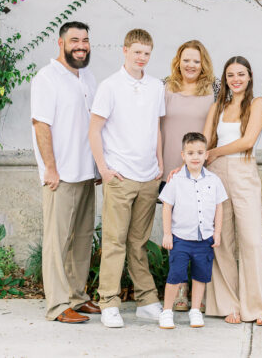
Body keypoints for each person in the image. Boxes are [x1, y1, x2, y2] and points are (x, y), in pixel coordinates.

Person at [88, 28, 166, 328]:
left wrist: (160, 162)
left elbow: (155, 128)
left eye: (146, 53)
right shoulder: (109, 86)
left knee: (139, 242)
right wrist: (104, 169)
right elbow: (94, 130)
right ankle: (109, 302)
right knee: (114, 242)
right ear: (125, 50)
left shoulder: (156, 86)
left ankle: (147, 301)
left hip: (148, 176)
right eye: (137, 52)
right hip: (120, 176)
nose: (141, 58)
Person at [30, 21, 99, 324]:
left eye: (85, 40)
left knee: (81, 240)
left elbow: (93, 125)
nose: (81, 46)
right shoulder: (47, 78)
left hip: (85, 172)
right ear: (61, 43)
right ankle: (57, 305)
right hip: (61, 175)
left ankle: (77, 296)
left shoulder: (88, 77)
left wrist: (96, 165)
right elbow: (41, 125)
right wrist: (50, 168)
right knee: (57, 242)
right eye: (74, 41)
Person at [200, 56, 262, 325]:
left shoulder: (257, 103)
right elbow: (205, 141)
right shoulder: (217, 106)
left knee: (252, 240)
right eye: (230, 75)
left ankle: (257, 308)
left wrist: (215, 152)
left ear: (249, 76)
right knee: (221, 241)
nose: (236, 79)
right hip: (216, 173)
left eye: (241, 74)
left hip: (243, 171)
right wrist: (194, 161)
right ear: (225, 79)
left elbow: (248, 140)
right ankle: (228, 305)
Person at [161, 40, 217, 312]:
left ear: (203, 63)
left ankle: (199, 291)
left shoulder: (214, 89)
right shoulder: (165, 87)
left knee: (199, 228)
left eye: (196, 60)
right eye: (186, 60)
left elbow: (216, 127)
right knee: (177, 228)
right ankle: (179, 287)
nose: (191, 65)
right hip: (169, 167)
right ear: (178, 61)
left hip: (199, 168)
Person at [158, 132, 226, 330]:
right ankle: (167, 312)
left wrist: (217, 232)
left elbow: (219, 207)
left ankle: (195, 310)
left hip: (204, 238)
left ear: (206, 155)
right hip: (180, 238)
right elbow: (167, 207)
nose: (195, 157)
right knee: (175, 275)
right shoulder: (176, 180)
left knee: (200, 276)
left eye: (199, 152)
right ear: (183, 155)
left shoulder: (213, 180)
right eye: (190, 153)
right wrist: (167, 233)